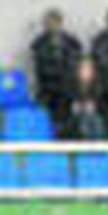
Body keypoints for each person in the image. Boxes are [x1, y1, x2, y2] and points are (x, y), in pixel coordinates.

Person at [31, 9, 83, 139]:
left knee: (70, 121)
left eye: (54, 22)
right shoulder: (38, 43)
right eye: (48, 23)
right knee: (49, 123)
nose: (51, 26)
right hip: (48, 90)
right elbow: (40, 68)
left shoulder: (72, 43)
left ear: (61, 23)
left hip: (68, 90)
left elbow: (76, 64)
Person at [69, 57, 107, 141]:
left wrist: (95, 106)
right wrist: (73, 106)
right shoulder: (72, 86)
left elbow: (103, 105)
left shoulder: (98, 86)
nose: (86, 72)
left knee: (95, 120)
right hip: (75, 118)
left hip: (93, 118)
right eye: (84, 69)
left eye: (88, 70)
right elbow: (66, 103)